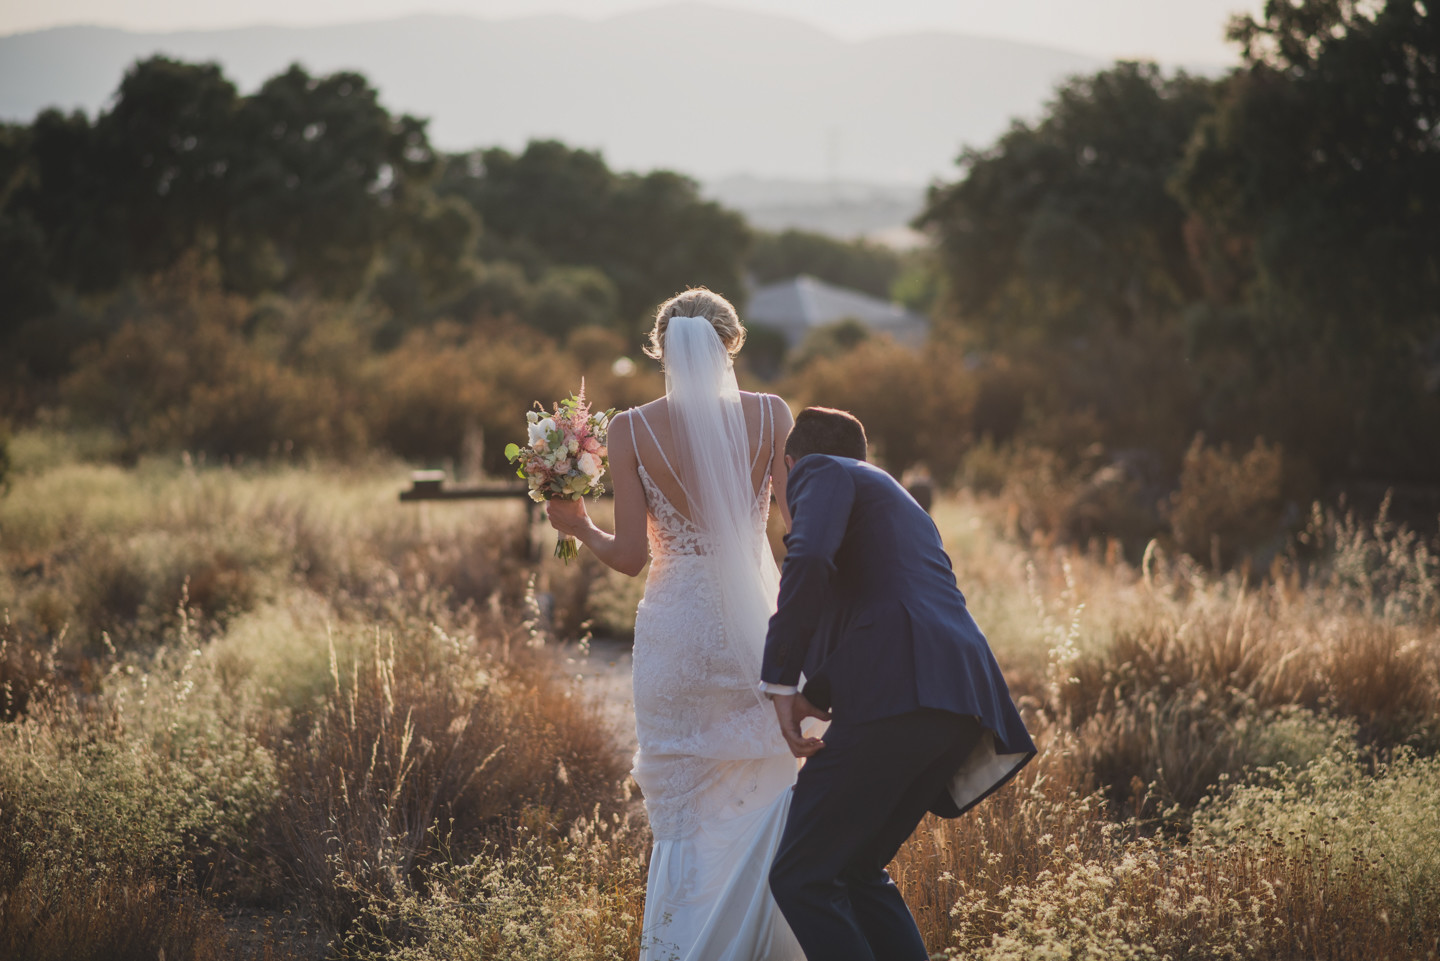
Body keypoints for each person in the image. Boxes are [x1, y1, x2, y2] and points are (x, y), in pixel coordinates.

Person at [546, 288, 806, 961]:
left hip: (678, 631)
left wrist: (580, 527)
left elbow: (630, 557)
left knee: (685, 809)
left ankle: (684, 944)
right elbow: (798, 527)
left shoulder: (631, 427)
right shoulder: (772, 413)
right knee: (770, 773)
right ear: (732, 344)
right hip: (759, 625)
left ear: (660, 349)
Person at [761, 407, 1037, 961]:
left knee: (800, 876)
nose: (781, 504)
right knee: (858, 870)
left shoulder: (820, 472)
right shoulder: (894, 497)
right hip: (961, 700)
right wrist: (819, 694)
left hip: (904, 694)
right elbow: (887, 609)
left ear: (793, 466)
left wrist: (781, 682)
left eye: (777, 491)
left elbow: (810, 556)